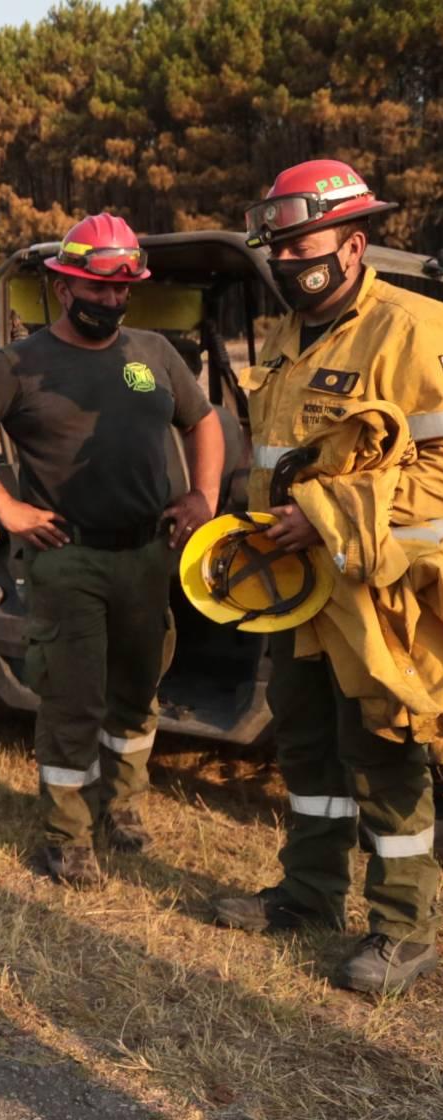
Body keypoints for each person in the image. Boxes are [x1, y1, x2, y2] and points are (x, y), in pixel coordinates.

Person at [0, 213, 223, 887]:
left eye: (124, 291)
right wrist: (4, 507)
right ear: (63, 285)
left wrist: (202, 497)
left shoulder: (151, 354)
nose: (113, 302)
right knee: (72, 698)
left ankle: (120, 811)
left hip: (147, 555)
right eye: (99, 289)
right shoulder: (20, 364)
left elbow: (202, 420)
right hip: (68, 556)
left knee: (136, 690)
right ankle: (65, 836)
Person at [210, 159, 443, 995]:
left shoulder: (413, 331)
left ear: (354, 241)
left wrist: (332, 514)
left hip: (376, 595)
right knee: (306, 750)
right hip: (295, 593)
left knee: (383, 755)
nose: (283, 257)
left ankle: (404, 930)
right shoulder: (283, 337)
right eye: (274, 244)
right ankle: (308, 897)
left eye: (298, 241)